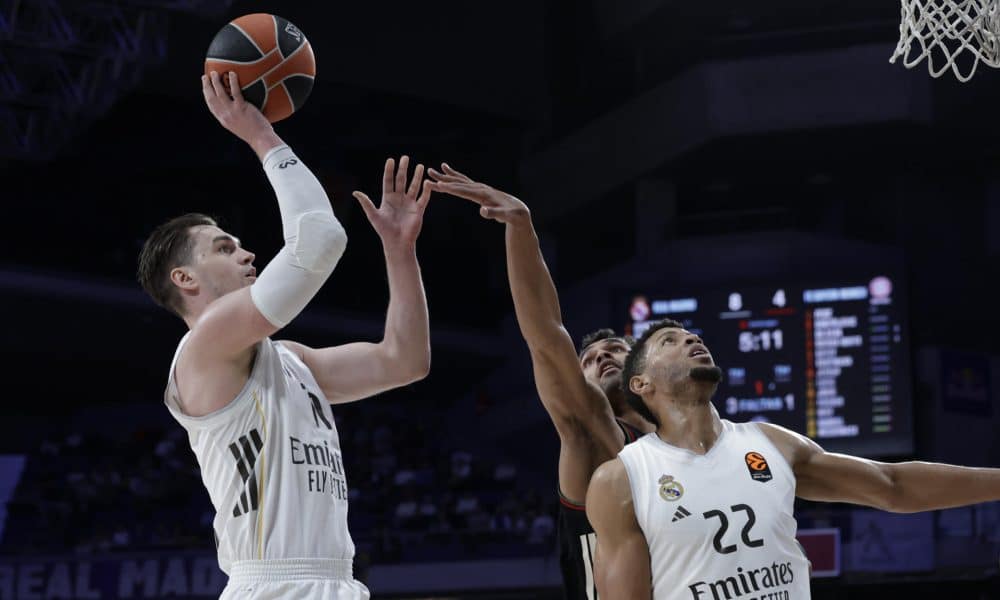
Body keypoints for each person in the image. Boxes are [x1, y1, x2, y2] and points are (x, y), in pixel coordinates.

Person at [136, 71, 431, 599]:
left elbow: (404, 360)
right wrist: (259, 133)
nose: (246, 253)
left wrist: (400, 252)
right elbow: (317, 240)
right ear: (185, 279)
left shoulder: (291, 360)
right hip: (274, 588)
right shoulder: (204, 347)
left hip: (337, 582)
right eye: (223, 248)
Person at [586, 319, 1000, 599]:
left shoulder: (769, 444)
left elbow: (893, 485)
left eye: (693, 336)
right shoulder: (622, 480)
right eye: (669, 341)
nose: (692, 340)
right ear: (640, 383)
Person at [426, 166, 654, 599]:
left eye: (615, 351)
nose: (602, 356)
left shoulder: (684, 452)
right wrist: (520, 228)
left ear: (642, 370)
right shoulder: (593, 436)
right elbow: (548, 338)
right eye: (588, 360)